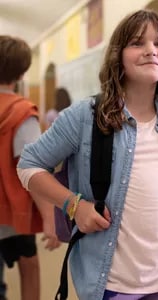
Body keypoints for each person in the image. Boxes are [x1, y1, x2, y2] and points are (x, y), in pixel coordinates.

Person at [17, 9, 158, 300]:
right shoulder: (85, 117)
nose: (151, 51)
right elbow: (29, 165)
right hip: (111, 283)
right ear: (118, 55)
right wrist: (74, 206)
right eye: (137, 43)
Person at [0, 35, 60, 300]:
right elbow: (32, 169)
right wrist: (49, 218)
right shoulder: (22, 112)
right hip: (12, 213)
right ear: (22, 72)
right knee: (30, 269)